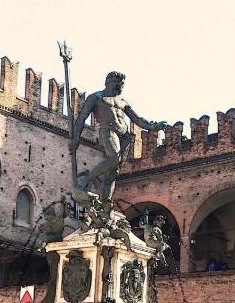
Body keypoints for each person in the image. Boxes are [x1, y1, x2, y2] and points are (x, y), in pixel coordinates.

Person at [70, 71, 166, 216]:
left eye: (121, 83)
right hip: (108, 131)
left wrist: (153, 127)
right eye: (116, 82)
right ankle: (85, 181)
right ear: (107, 82)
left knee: (113, 172)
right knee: (114, 159)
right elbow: (82, 118)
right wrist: (76, 138)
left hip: (125, 137)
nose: (119, 85)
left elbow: (137, 119)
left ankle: (105, 205)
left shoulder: (123, 102)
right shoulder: (96, 97)